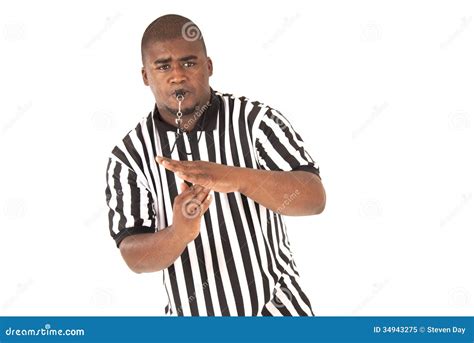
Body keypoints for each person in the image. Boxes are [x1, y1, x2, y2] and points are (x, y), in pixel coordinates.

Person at [105, 14, 326, 316]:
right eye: (163, 66)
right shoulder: (129, 157)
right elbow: (134, 257)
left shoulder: (256, 123)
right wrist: (179, 232)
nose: (178, 75)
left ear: (208, 66)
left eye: (189, 62)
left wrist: (237, 178)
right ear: (146, 76)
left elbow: (313, 199)